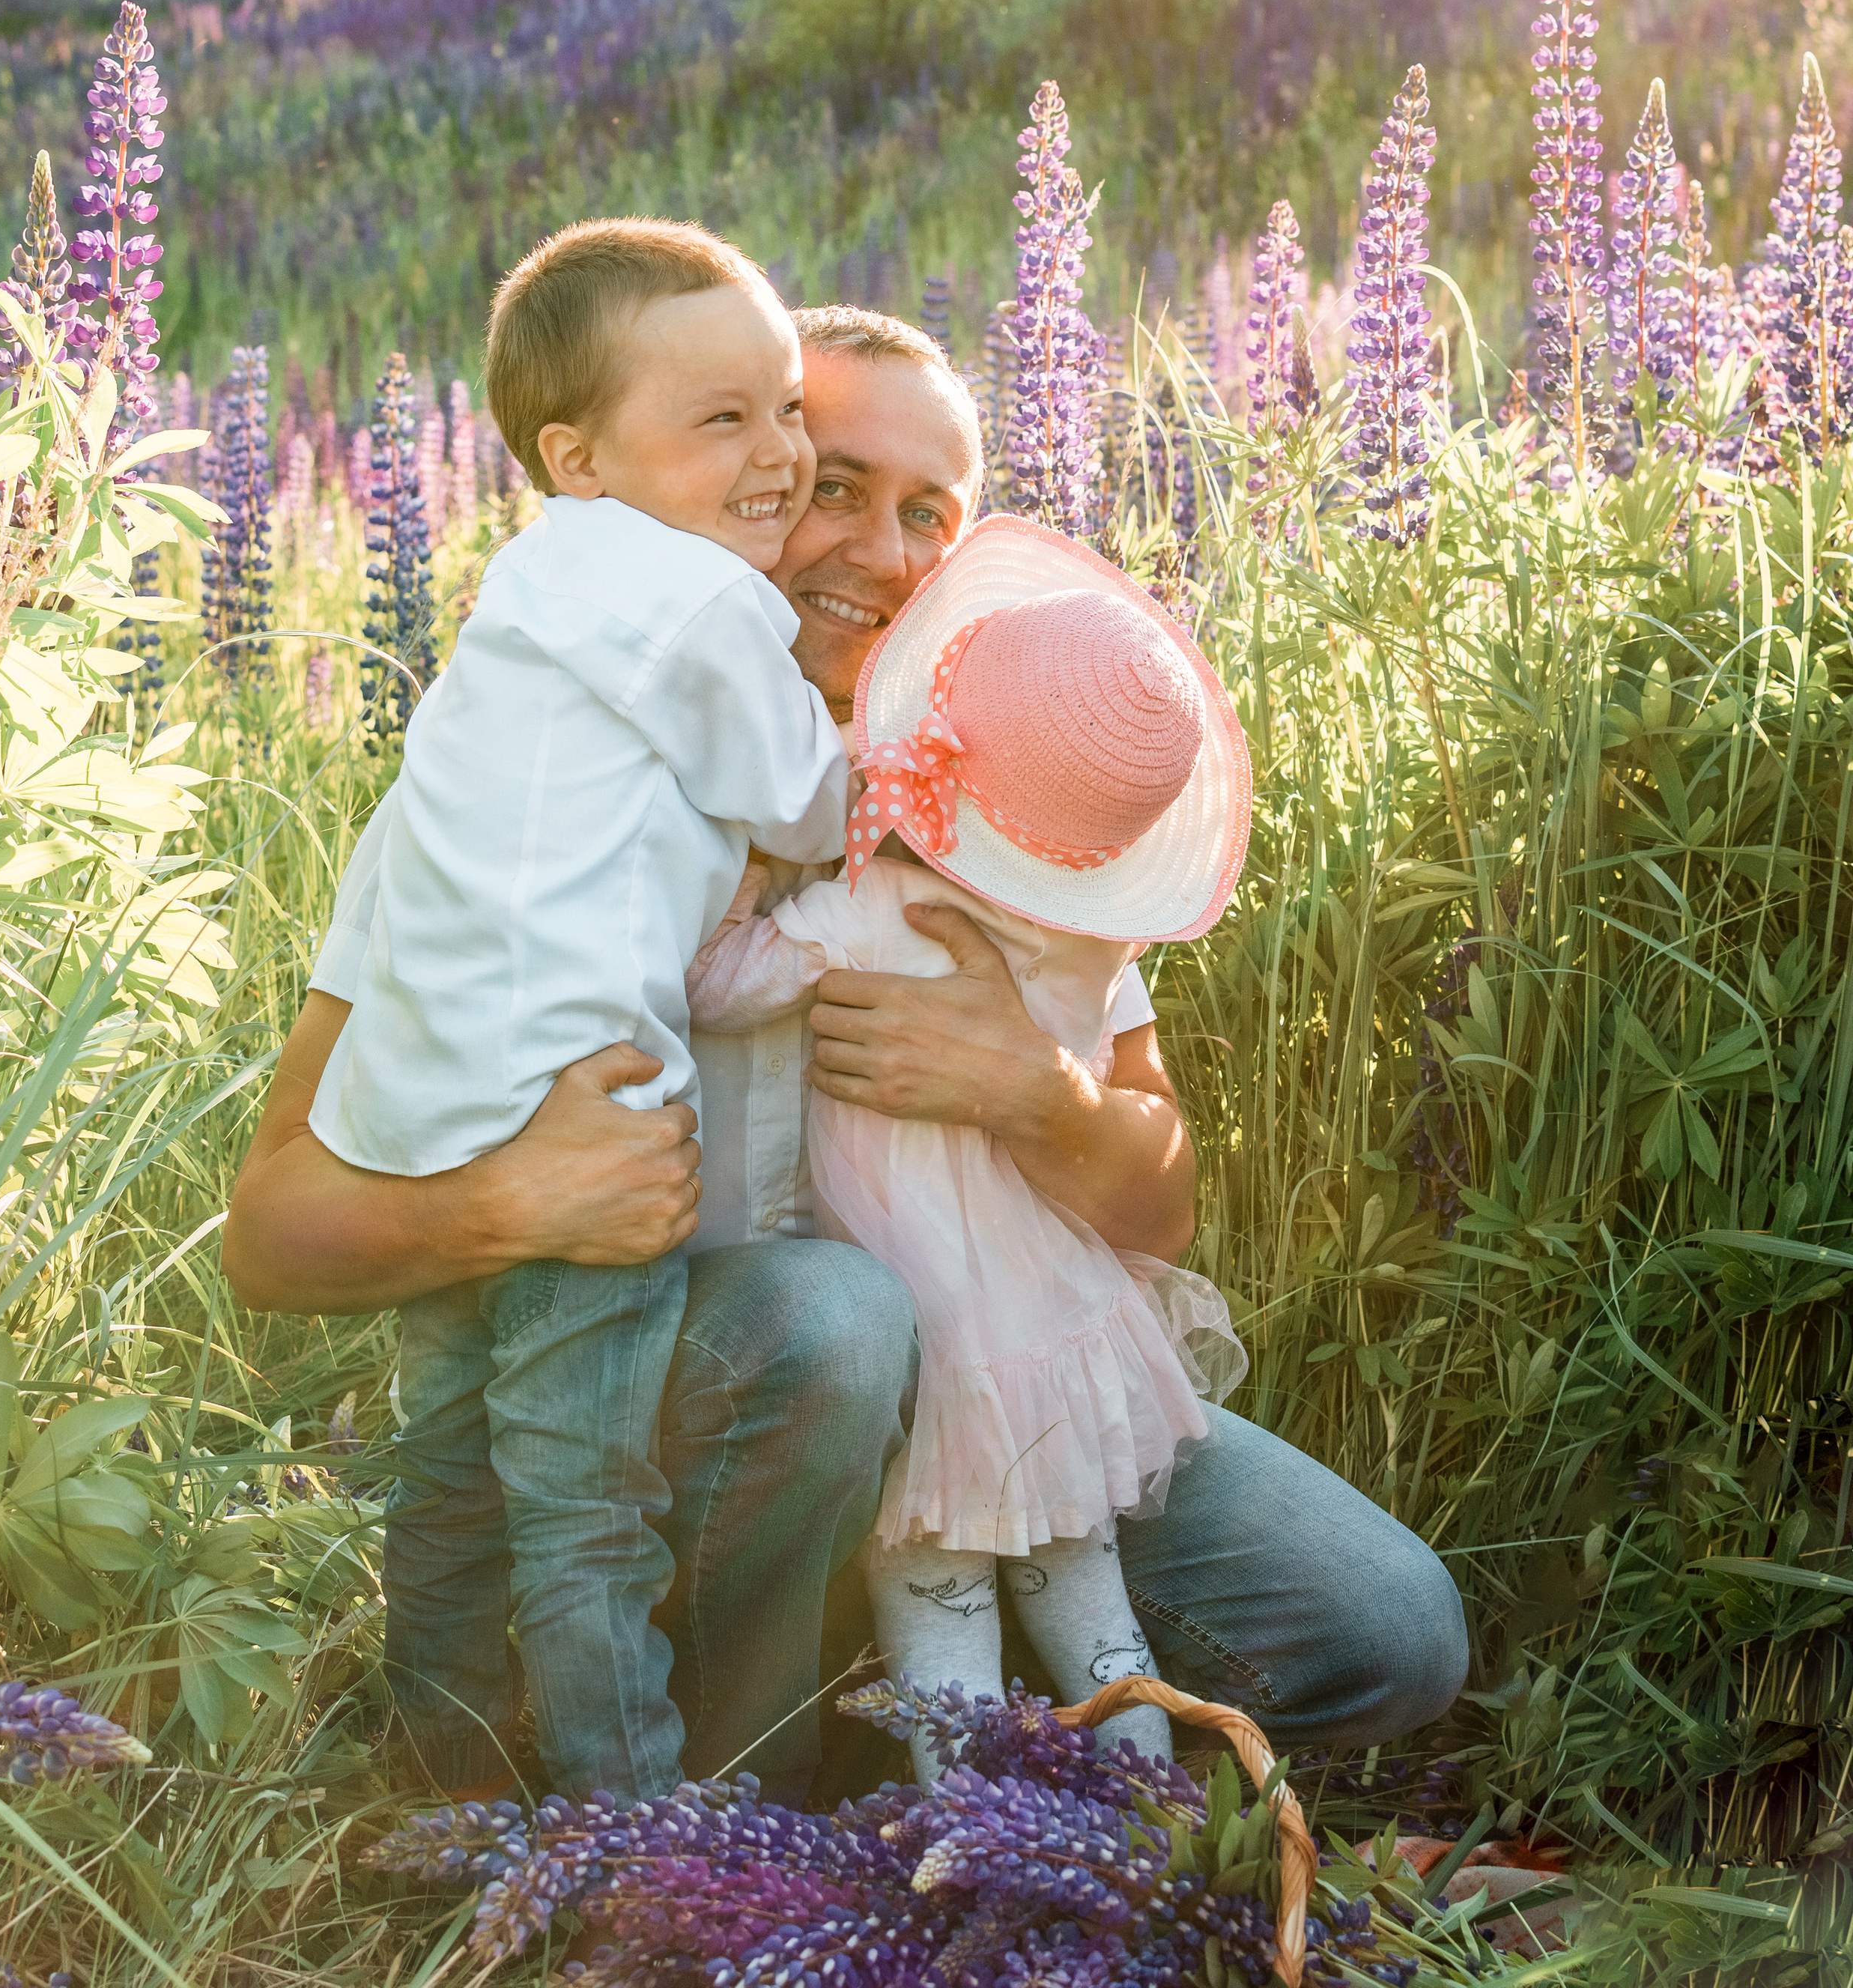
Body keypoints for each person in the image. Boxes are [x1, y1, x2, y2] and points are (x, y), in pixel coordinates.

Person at [223, 306, 1468, 1804]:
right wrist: (499, 1211)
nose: (877, 550)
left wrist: (1032, 1089)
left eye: (925, 514)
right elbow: (269, 1236)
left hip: (1002, 1405)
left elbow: (1160, 1204)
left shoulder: (1006, 804)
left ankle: (960, 1726)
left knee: (1385, 1627)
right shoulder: (524, 792)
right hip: (669, 1437)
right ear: (724, 479)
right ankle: (760, 1788)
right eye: (833, 484)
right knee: (828, 1321)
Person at [306, 215, 849, 1799]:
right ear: (577, 454)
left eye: (789, 404)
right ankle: (635, 1841)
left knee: (451, 1469)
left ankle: (447, 1775)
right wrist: (880, 768)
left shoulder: (531, 584)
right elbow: (803, 802)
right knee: (583, 1501)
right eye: (722, 420)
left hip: (435, 1112)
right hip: (584, 1104)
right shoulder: (702, 602)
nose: (782, 455)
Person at [689, 515, 1256, 1779]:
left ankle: (970, 1823)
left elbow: (719, 987)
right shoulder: (1093, 938)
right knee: (1083, 1585)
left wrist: (742, 867)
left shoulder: (879, 903)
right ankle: (1148, 1793)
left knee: (937, 1582)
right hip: (1057, 1315)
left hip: (940, 1333)